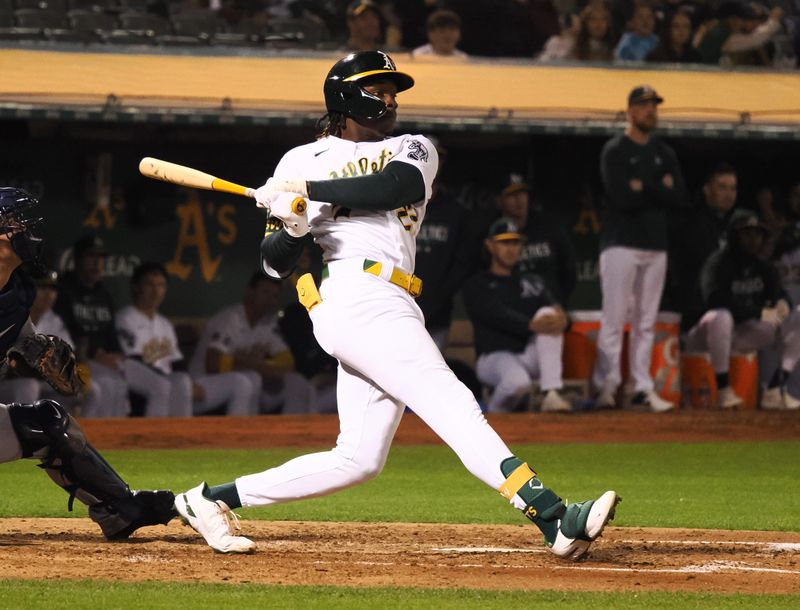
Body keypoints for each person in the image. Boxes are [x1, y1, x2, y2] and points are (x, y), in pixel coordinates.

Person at [173, 50, 619, 557]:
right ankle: (555, 517)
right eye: (378, 90)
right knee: (451, 402)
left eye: (392, 92)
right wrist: (294, 223)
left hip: (394, 297)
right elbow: (275, 263)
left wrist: (308, 192)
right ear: (345, 94)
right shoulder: (298, 160)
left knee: (358, 459)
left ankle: (208, 501)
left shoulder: (413, 147)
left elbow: (394, 187)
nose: (389, 99)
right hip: (354, 297)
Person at [0, 187, 175, 540]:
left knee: (50, 423)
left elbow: (26, 342)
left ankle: (120, 509)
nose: (25, 229)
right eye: (14, 222)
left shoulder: (18, 291)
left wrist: (36, 353)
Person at [592, 86, 686, 412]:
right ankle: (608, 386)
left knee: (647, 322)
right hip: (620, 243)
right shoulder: (615, 150)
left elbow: (679, 198)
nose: (651, 111)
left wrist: (644, 185)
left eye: (654, 106)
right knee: (615, 319)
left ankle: (641, 387)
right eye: (644, 105)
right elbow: (622, 197)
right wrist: (658, 186)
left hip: (655, 244)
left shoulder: (665, 152)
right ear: (630, 110)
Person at [685, 210, 800, 409]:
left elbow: (778, 293)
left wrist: (783, 302)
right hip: (703, 337)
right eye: (747, 233)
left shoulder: (762, 266)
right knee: (721, 316)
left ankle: (775, 389)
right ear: (734, 235)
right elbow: (714, 300)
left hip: (740, 335)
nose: (753, 239)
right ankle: (723, 391)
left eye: (757, 234)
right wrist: (760, 312)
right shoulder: (718, 263)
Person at [463, 218, 572, 413]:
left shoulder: (532, 281)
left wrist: (563, 319)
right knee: (517, 383)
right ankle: (492, 418)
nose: (511, 248)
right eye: (504, 242)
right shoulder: (478, 283)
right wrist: (529, 324)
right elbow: (494, 315)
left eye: (515, 242)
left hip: (529, 354)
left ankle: (552, 393)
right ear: (490, 245)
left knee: (549, 312)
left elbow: (552, 309)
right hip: (494, 357)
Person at [188, 272, 314, 414]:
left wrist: (253, 365)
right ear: (250, 292)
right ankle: (240, 434)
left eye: (275, 296)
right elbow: (213, 364)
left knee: (298, 383)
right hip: (203, 384)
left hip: (245, 384)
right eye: (265, 292)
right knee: (248, 380)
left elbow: (287, 364)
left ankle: (295, 433)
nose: (269, 300)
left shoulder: (267, 323)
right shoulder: (231, 318)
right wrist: (258, 366)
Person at [54, 234, 130, 418]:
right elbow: (62, 332)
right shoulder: (62, 290)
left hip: (100, 359)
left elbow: (110, 332)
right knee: (106, 385)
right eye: (91, 257)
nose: (98, 263)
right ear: (78, 259)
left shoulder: (103, 294)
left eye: (101, 258)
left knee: (119, 383)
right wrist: (95, 352)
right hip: (74, 360)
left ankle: (116, 441)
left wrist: (117, 352)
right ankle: (92, 439)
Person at [668, 163, 739, 332]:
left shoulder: (732, 224)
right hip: (696, 315)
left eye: (733, 188)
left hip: (726, 310)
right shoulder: (695, 224)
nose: (729, 195)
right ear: (707, 190)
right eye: (722, 188)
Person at [495, 173, 578, 307]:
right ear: (499, 200)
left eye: (522, 193)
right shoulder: (492, 232)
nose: (519, 199)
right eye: (512, 195)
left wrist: (559, 303)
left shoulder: (549, 226)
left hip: (547, 311)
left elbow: (569, 269)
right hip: (508, 313)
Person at [696, 0, 783, 65]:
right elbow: (753, 40)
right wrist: (773, 21)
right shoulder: (719, 33)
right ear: (730, 19)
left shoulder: (719, 29)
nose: (742, 23)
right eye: (739, 19)